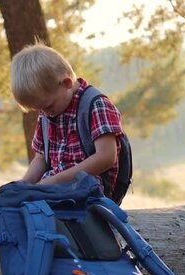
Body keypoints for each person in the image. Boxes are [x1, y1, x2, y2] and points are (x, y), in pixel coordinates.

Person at [10, 43, 123, 192]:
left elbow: (106, 157)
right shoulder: (48, 112)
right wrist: (25, 184)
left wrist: (55, 181)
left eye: (48, 105)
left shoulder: (96, 105)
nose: (44, 112)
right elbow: (40, 159)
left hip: (90, 191)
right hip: (54, 187)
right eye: (40, 109)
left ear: (66, 83)